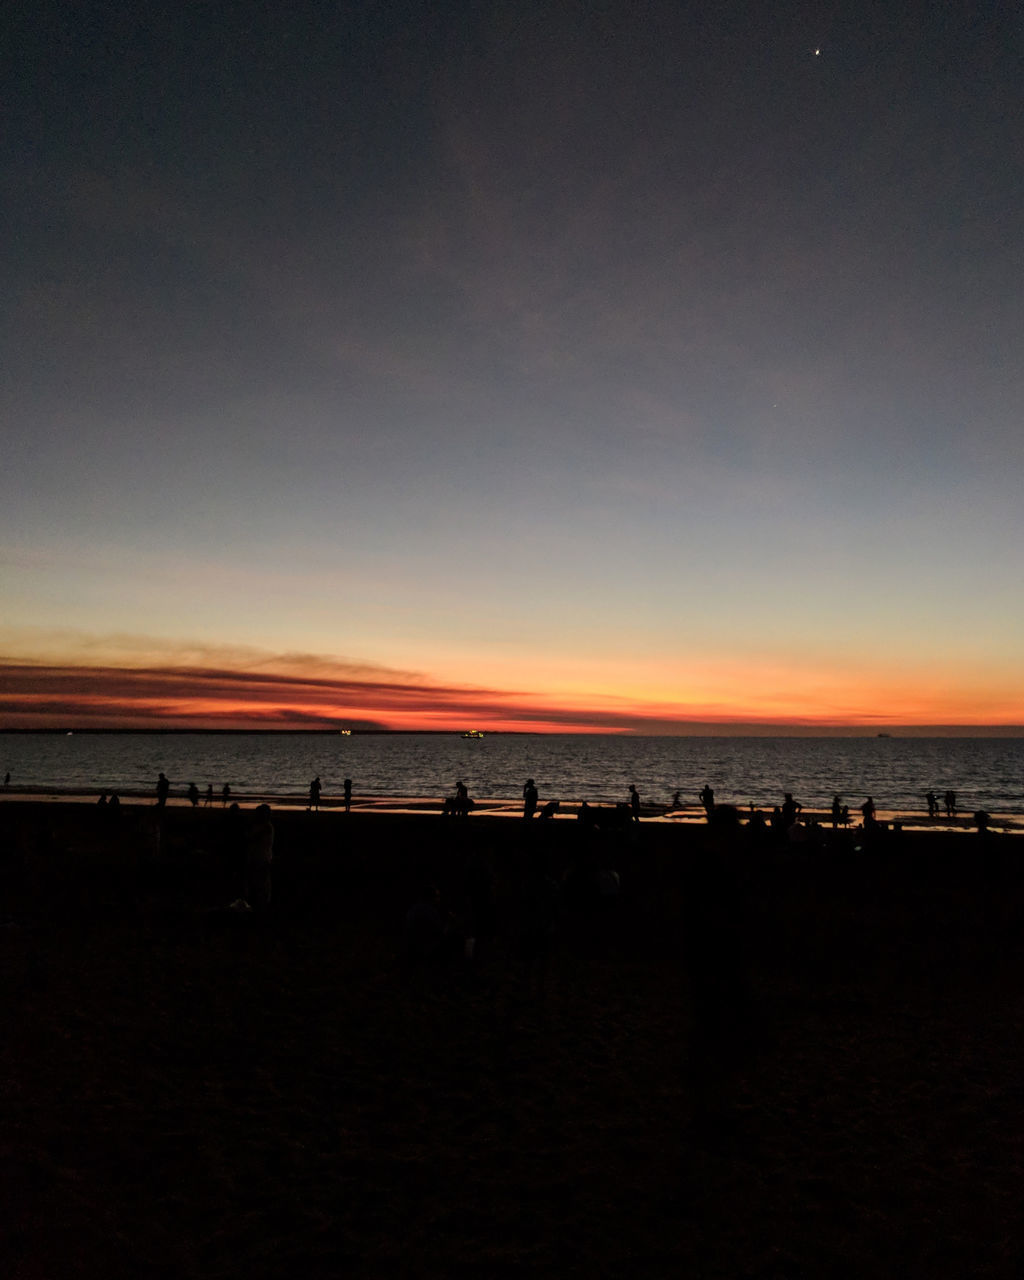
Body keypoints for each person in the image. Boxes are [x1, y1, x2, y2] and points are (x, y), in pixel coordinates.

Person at [245, 804, 274, 908]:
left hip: (262, 858)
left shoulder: (266, 827)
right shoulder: (262, 826)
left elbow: (252, 838)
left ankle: (261, 903)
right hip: (257, 857)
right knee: (257, 882)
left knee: (261, 883)